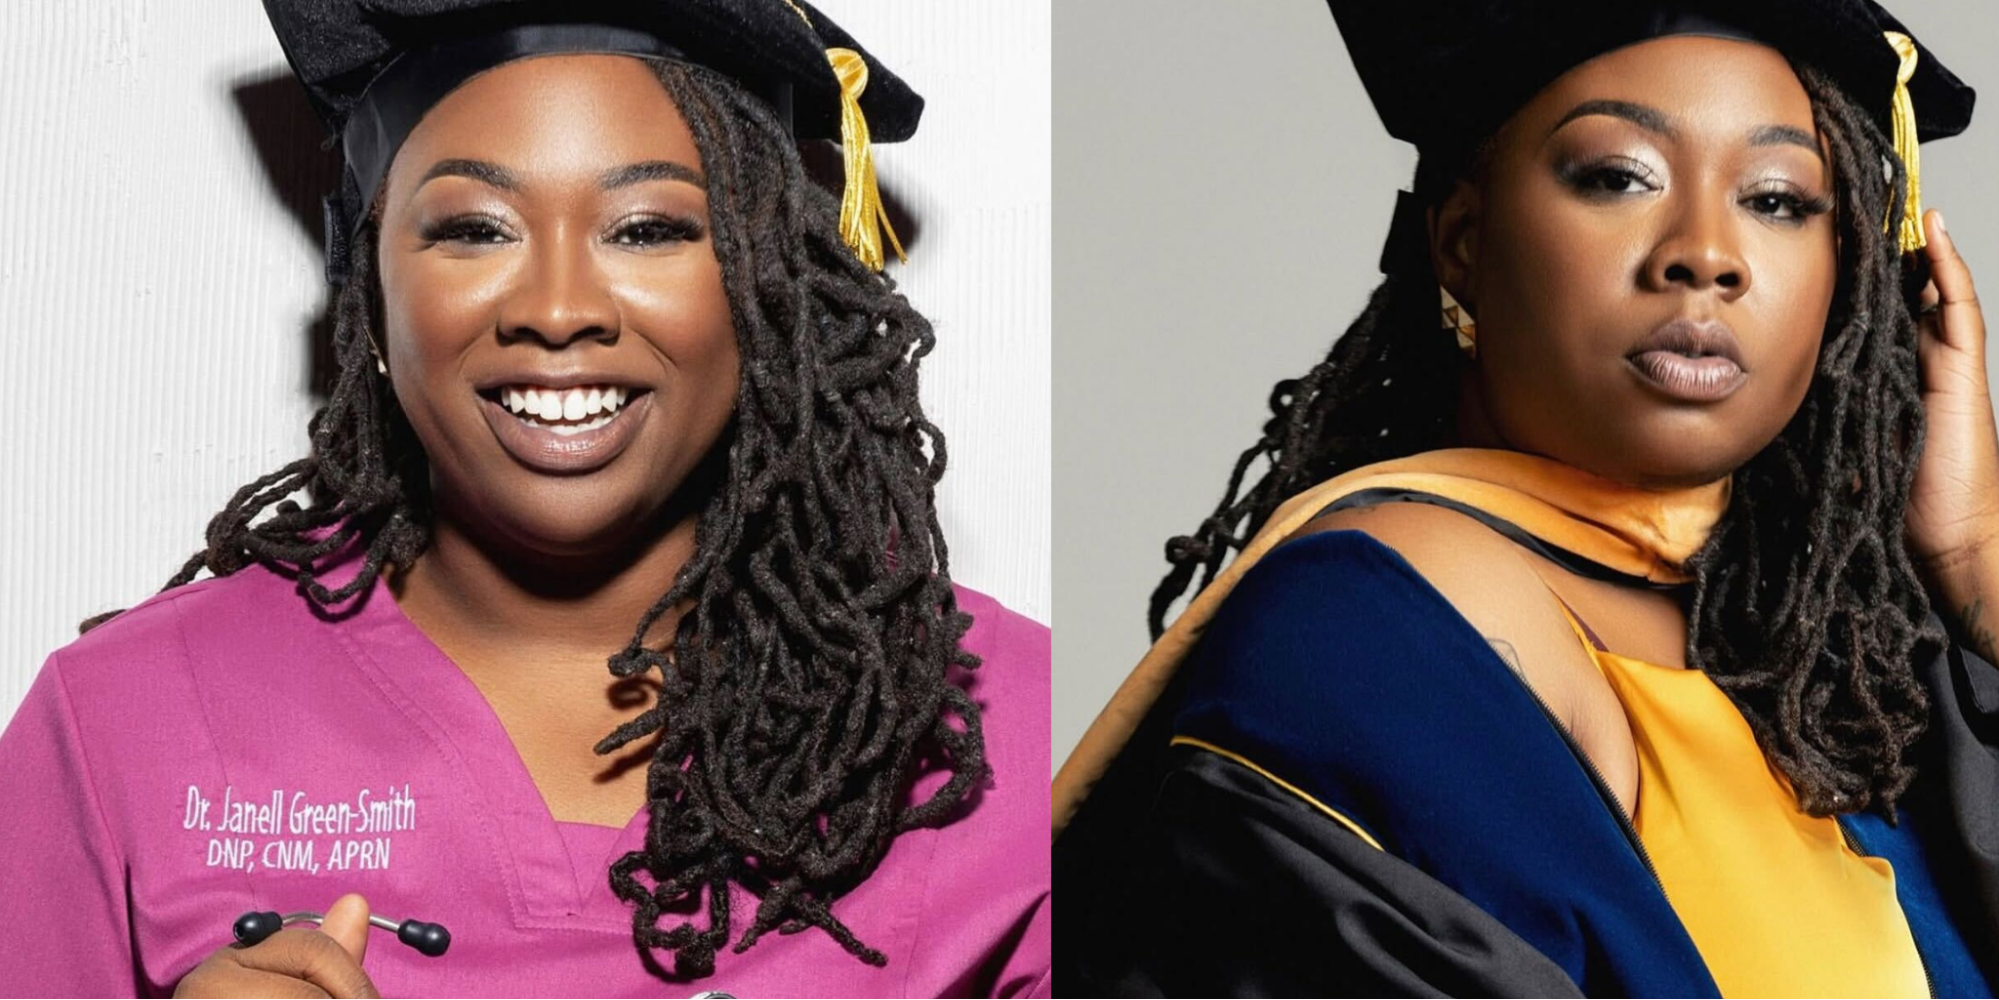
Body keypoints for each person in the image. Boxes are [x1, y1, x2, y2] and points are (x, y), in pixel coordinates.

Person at [0, 1, 1050, 997]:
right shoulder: (124, 723)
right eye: (473, 228)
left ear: (768, 289)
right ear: (367, 289)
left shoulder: (1014, 728)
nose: (557, 309)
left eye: (646, 229)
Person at [1054, 1, 1999, 996]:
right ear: (1461, 243)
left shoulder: (1843, 664)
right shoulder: (1376, 630)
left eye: (1774, 199)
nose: (1704, 253)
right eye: (1617, 177)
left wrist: (1976, 562)